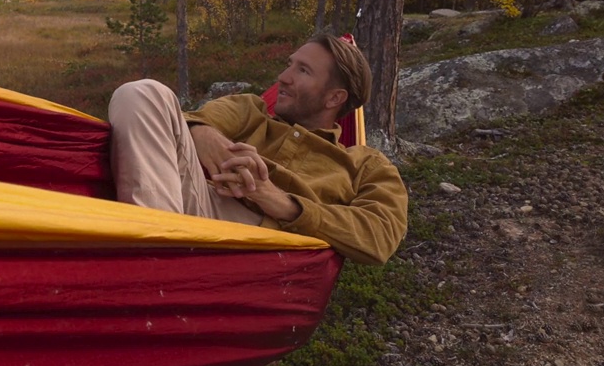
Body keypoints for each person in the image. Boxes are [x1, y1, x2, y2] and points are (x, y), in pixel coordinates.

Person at [107, 33, 408, 265]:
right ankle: (153, 253)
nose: (283, 77)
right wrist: (201, 131)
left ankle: (151, 263)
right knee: (142, 93)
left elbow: (379, 235)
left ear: (334, 98)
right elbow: (192, 119)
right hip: (196, 207)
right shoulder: (251, 110)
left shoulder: (366, 164)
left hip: (265, 244)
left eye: (302, 71)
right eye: (289, 64)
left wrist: (279, 201)